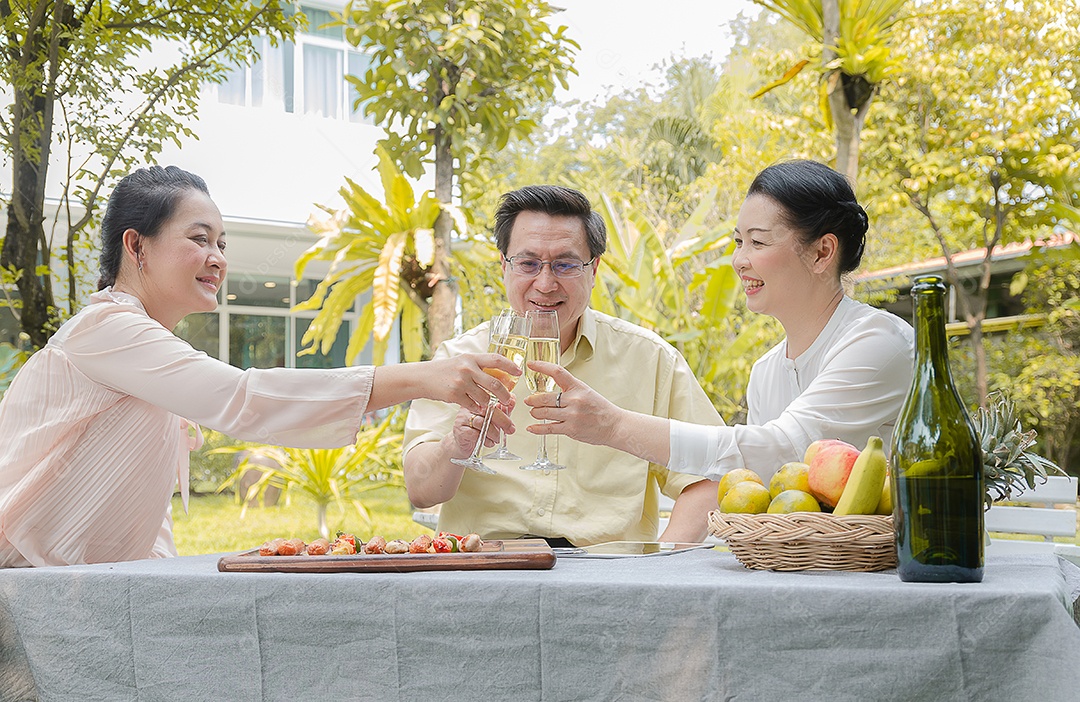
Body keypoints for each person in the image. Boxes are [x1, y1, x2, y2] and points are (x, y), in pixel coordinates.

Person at [0, 165, 521, 568]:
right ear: (136, 245)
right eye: (199, 238)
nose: (218, 257)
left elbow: (140, 510)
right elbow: (245, 399)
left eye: (221, 243)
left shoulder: (143, 345)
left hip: (83, 587)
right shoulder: (106, 330)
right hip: (25, 581)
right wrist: (420, 377)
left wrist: (159, 581)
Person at [525, 160, 915, 494]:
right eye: (738, 241)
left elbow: (781, 449)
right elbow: (770, 485)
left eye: (757, 243)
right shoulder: (767, 371)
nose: (739, 260)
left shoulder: (878, 342)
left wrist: (614, 426)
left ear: (822, 252)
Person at [402, 185, 724, 546]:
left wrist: (660, 566)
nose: (545, 283)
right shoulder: (459, 359)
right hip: (485, 570)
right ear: (504, 266)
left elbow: (713, 473)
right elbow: (420, 491)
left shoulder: (650, 360)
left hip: (607, 573)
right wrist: (455, 447)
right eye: (528, 264)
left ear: (593, 269)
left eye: (565, 265)